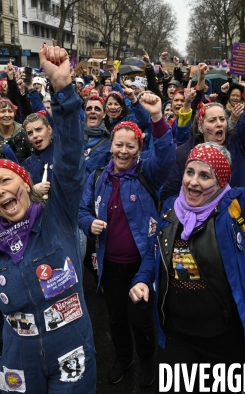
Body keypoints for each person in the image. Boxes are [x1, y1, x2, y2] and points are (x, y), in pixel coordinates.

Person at [129, 73, 245, 392]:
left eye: (205, 176)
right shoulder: (169, 211)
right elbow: (155, 257)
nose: (192, 182)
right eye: (190, 172)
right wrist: (140, 280)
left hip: (226, 338)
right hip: (177, 336)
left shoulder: (237, 207)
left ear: (220, 183)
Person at [0, 44, 96, 393]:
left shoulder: (56, 215)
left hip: (70, 348)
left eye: (5, 181)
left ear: (25, 184)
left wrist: (63, 92)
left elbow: (71, 161)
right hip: (19, 358)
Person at [79, 92, 175, 387]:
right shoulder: (97, 177)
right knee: (116, 318)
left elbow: (166, 154)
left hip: (141, 264)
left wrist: (157, 118)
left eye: (129, 146)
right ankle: (123, 357)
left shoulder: (149, 173)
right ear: (110, 146)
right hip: (109, 265)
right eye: (118, 145)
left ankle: (146, 361)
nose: (122, 151)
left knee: (141, 320)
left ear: (138, 149)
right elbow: (81, 210)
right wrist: (87, 223)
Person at [160, 44, 245, 205]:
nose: (219, 124)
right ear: (200, 127)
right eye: (212, 120)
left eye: (222, 119)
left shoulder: (237, 145)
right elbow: (168, 196)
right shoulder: (184, 153)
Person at [21, 112, 54, 198]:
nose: (35, 135)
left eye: (38, 129)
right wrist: (32, 192)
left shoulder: (63, 156)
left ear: (49, 130)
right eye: (30, 133)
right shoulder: (26, 165)